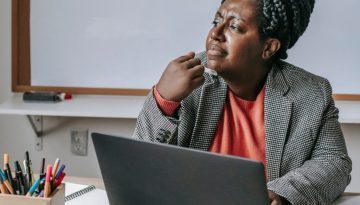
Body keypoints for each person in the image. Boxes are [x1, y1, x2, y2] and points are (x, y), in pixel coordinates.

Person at [133, 0, 352, 204]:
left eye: (235, 27)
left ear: (268, 48)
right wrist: (164, 100)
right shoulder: (185, 79)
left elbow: (334, 163)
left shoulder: (311, 93)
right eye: (216, 21)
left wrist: (282, 192)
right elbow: (137, 168)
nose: (215, 34)